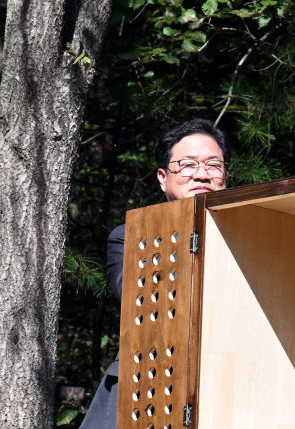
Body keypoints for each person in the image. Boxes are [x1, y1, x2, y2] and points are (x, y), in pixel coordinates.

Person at [79, 118, 230, 428]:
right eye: (187, 165)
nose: (202, 174)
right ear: (163, 177)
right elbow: (134, 295)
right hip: (145, 388)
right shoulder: (130, 237)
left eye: (214, 165)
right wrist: (187, 242)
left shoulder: (252, 237)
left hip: (226, 385)